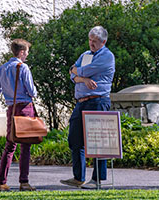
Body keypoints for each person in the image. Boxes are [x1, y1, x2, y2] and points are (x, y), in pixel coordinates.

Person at [60, 26, 115, 189]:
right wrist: (83, 79)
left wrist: (78, 74)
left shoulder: (107, 56)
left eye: (95, 41)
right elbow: (72, 73)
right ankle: (78, 177)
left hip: (98, 101)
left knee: (97, 141)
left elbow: (82, 70)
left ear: (103, 42)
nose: (91, 43)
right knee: (74, 139)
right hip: (81, 101)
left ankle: (97, 179)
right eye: (90, 40)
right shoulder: (85, 55)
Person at [0, 39, 37, 191]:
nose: (27, 56)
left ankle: (2, 181)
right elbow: (32, 92)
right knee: (25, 145)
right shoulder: (23, 68)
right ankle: (24, 182)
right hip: (24, 108)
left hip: (11, 109)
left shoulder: (2, 68)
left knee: (10, 145)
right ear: (22, 52)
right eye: (27, 53)